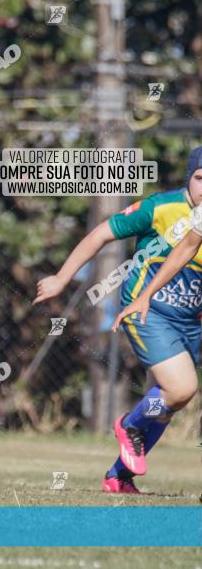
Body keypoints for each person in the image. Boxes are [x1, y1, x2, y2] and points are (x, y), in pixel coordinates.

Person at [91, 147, 202, 493]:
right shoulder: (175, 210)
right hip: (159, 314)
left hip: (190, 317)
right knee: (180, 390)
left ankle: (118, 475)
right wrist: (145, 294)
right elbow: (185, 248)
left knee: (170, 401)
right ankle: (131, 424)